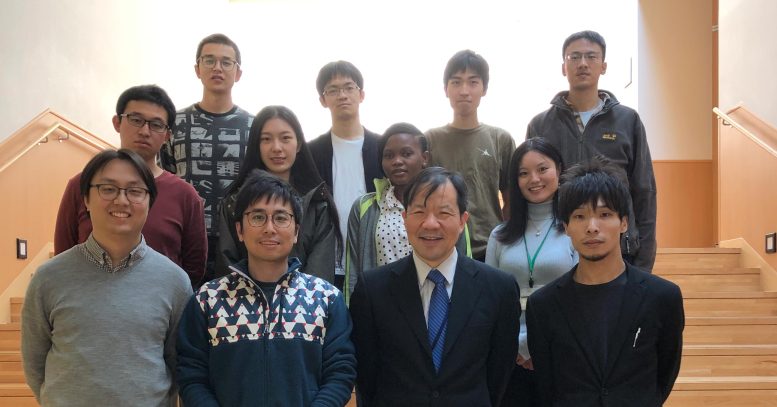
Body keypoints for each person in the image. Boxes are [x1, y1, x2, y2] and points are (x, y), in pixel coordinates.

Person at [23, 149, 192, 406]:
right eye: (108, 189)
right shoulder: (49, 278)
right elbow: (35, 364)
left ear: (149, 202)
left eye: (135, 191)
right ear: (86, 199)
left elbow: (177, 363)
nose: (121, 200)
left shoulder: (175, 281)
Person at [176, 171, 356, 407]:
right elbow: (191, 374)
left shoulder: (325, 298)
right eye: (258, 217)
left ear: (296, 231)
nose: (269, 228)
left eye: (281, 218)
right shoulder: (208, 299)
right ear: (239, 230)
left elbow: (340, 372)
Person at [350, 167, 520, 406]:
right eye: (419, 212)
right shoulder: (372, 290)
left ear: (462, 221)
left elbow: (499, 372)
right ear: (404, 218)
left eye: (444, 213)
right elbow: (367, 375)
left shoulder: (499, 288)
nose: (430, 224)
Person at [526, 158, 684, 406]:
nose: (592, 227)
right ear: (566, 227)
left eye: (605, 214)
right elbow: (547, 384)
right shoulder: (543, 305)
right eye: (579, 216)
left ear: (624, 222)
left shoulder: (662, 297)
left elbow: (664, 374)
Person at [526, 30, 657, 271]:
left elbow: (644, 191)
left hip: (619, 248)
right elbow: (531, 190)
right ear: (564, 67)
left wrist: (645, 258)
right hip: (556, 250)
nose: (583, 63)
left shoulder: (628, 121)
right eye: (574, 57)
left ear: (603, 66)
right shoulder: (541, 125)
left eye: (591, 56)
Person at [54, 84, 207, 287]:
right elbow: (64, 254)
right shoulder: (83, 185)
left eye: (156, 124)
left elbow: (193, 270)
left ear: (167, 135)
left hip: (161, 303)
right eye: (136, 120)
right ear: (117, 123)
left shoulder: (185, 195)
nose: (144, 131)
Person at [486, 138, 578, 407]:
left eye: (542, 169)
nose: (534, 179)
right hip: (509, 355)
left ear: (558, 170)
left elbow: (580, 299)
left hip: (562, 352)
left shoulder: (574, 228)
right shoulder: (500, 235)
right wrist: (516, 347)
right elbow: (489, 300)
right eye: (523, 173)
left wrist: (538, 347)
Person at [345, 122, 471, 300]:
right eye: (389, 155)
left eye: (406, 153)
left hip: (437, 302)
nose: (397, 161)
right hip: (381, 304)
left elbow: (464, 259)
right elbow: (353, 270)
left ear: (424, 157)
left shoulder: (448, 204)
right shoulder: (364, 207)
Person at [216, 105, 341, 283]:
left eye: (285, 138)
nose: (276, 147)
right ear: (256, 145)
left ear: (298, 144)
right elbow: (227, 269)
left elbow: (319, 276)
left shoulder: (318, 203)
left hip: (306, 299)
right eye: (266, 139)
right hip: (242, 298)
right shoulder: (234, 203)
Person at [166, 33, 254, 280]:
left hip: (238, 241)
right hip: (184, 237)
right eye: (209, 60)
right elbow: (166, 178)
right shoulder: (175, 123)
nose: (217, 67)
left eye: (226, 62)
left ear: (238, 73)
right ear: (197, 69)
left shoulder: (254, 127)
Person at [426, 49, 515, 261]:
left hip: (491, 248)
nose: (464, 91)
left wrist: (505, 237)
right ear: (446, 89)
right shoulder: (430, 139)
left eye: (473, 82)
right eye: (456, 82)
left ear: (484, 89)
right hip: (444, 246)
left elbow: (511, 197)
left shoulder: (500, 139)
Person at [308, 60, 383, 289]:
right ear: (323, 100)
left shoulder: (383, 149)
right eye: (333, 90)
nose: (342, 95)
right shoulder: (311, 153)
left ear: (361, 94)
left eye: (349, 87)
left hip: (375, 259)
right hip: (328, 263)